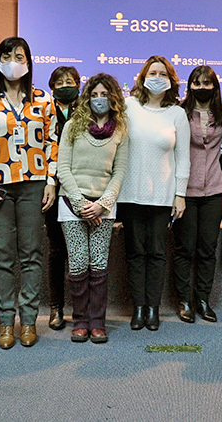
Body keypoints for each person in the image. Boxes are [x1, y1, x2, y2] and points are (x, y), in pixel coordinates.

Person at [0, 37, 58, 349]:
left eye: (19, 56)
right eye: (7, 55)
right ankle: (6, 322)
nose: (13, 61)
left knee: (32, 255)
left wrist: (51, 181)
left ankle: (29, 320)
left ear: (29, 62)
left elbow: (51, 143)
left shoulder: (43, 101)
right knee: (3, 256)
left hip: (34, 185)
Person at [117, 56, 189, 332]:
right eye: (152, 72)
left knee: (157, 253)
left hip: (162, 196)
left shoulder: (177, 114)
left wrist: (180, 194)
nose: (157, 77)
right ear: (142, 77)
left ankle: (153, 308)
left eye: (162, 73)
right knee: (135, 253)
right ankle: (138, 308)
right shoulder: (128, 107)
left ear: (170, 80)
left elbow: (183, 159)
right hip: (131, 194)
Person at [57, 73, 128, 343]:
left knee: (98, 265)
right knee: (78, 264)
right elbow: (63, 168)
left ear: (114, 98)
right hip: (71, 204)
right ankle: (80, 321)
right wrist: (80, 203)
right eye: (95, 94)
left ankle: (98, 322)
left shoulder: (121, 129)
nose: (100, 99)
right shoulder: (73, 125)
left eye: (105, 94)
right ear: (88, 97)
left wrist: (102, 205)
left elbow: (119, 172)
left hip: (103, 209)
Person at [171, 66, 222, 323]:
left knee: (207, 248)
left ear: (214, 86)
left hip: (215, 190)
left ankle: (203, 299)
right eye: (197, 83)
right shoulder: (180, 113)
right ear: (189, 86)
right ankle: (183, 300)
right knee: (185, 249)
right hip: (186, 191)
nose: (202, 87)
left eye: (207, 83)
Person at [45, 66, 81, 330]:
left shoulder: (89, 111)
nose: (65, 85)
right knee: (56, 250)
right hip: (51, 187)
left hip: (80, 188)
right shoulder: (43, 110)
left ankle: (82, 308)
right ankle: (56, 308)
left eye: (70, 81)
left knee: (80, 251)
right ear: (51, 86)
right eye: (60, 81)